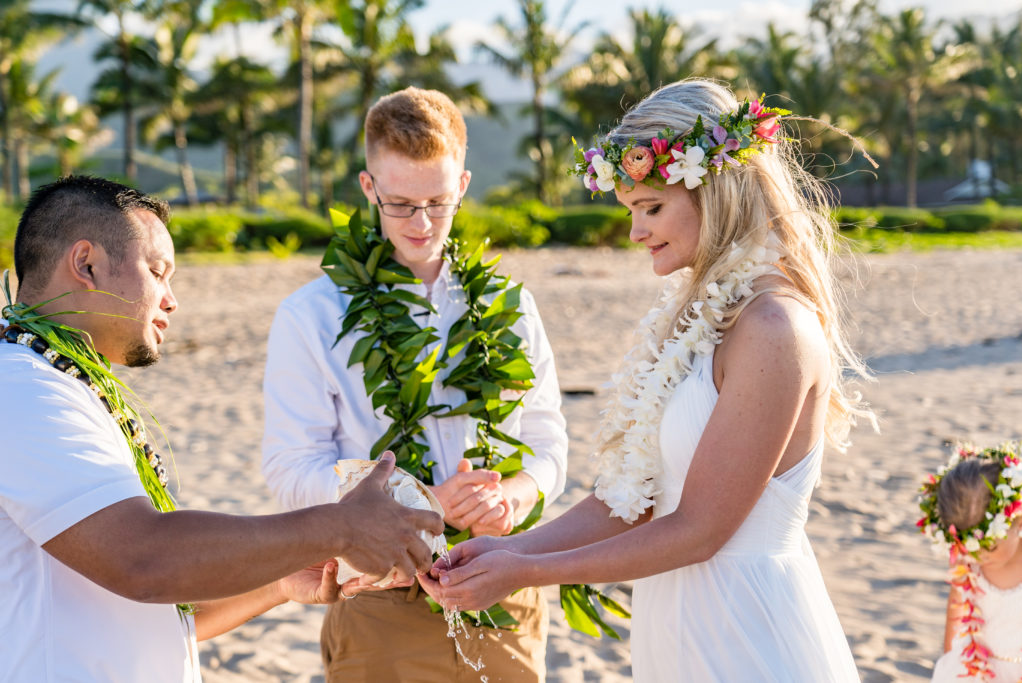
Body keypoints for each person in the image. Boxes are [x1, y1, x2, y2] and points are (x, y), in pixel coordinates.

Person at [420, 78, 874, 682]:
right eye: (630, 209)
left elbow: (700, 530)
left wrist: (527, 573)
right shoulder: (703, 315)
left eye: (651, 207)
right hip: (678, 622)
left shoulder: (773, 326)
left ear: (716, 189)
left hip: (746, 630)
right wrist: (511, 547)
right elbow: (636, 502)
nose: (635, 232)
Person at [0, 175, 444, 682]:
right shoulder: (24, 389)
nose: (171, 300)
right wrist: (340, 526)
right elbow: (142, 560)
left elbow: (166, 610)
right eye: (157, 272)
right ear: (86, 264)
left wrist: (280, 579)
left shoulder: (59, 385)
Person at [261, 86, 568, 682]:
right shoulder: (310, 315)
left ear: (464, 185)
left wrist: (514, 496)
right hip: (378, 597)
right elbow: (290, 470)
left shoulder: (512, 305)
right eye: (400, 204)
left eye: (438, 202)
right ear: (368, 186)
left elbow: (547, 437)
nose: (422, 224)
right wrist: (421, 505)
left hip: (503, 587)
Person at [918, 443, 1022, 682]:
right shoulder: (967, 566)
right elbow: (956, 611)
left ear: (1020, 520)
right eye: (969, 548)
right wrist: (949, 660)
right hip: (975, 670)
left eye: (990, 547)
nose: (979, 557)